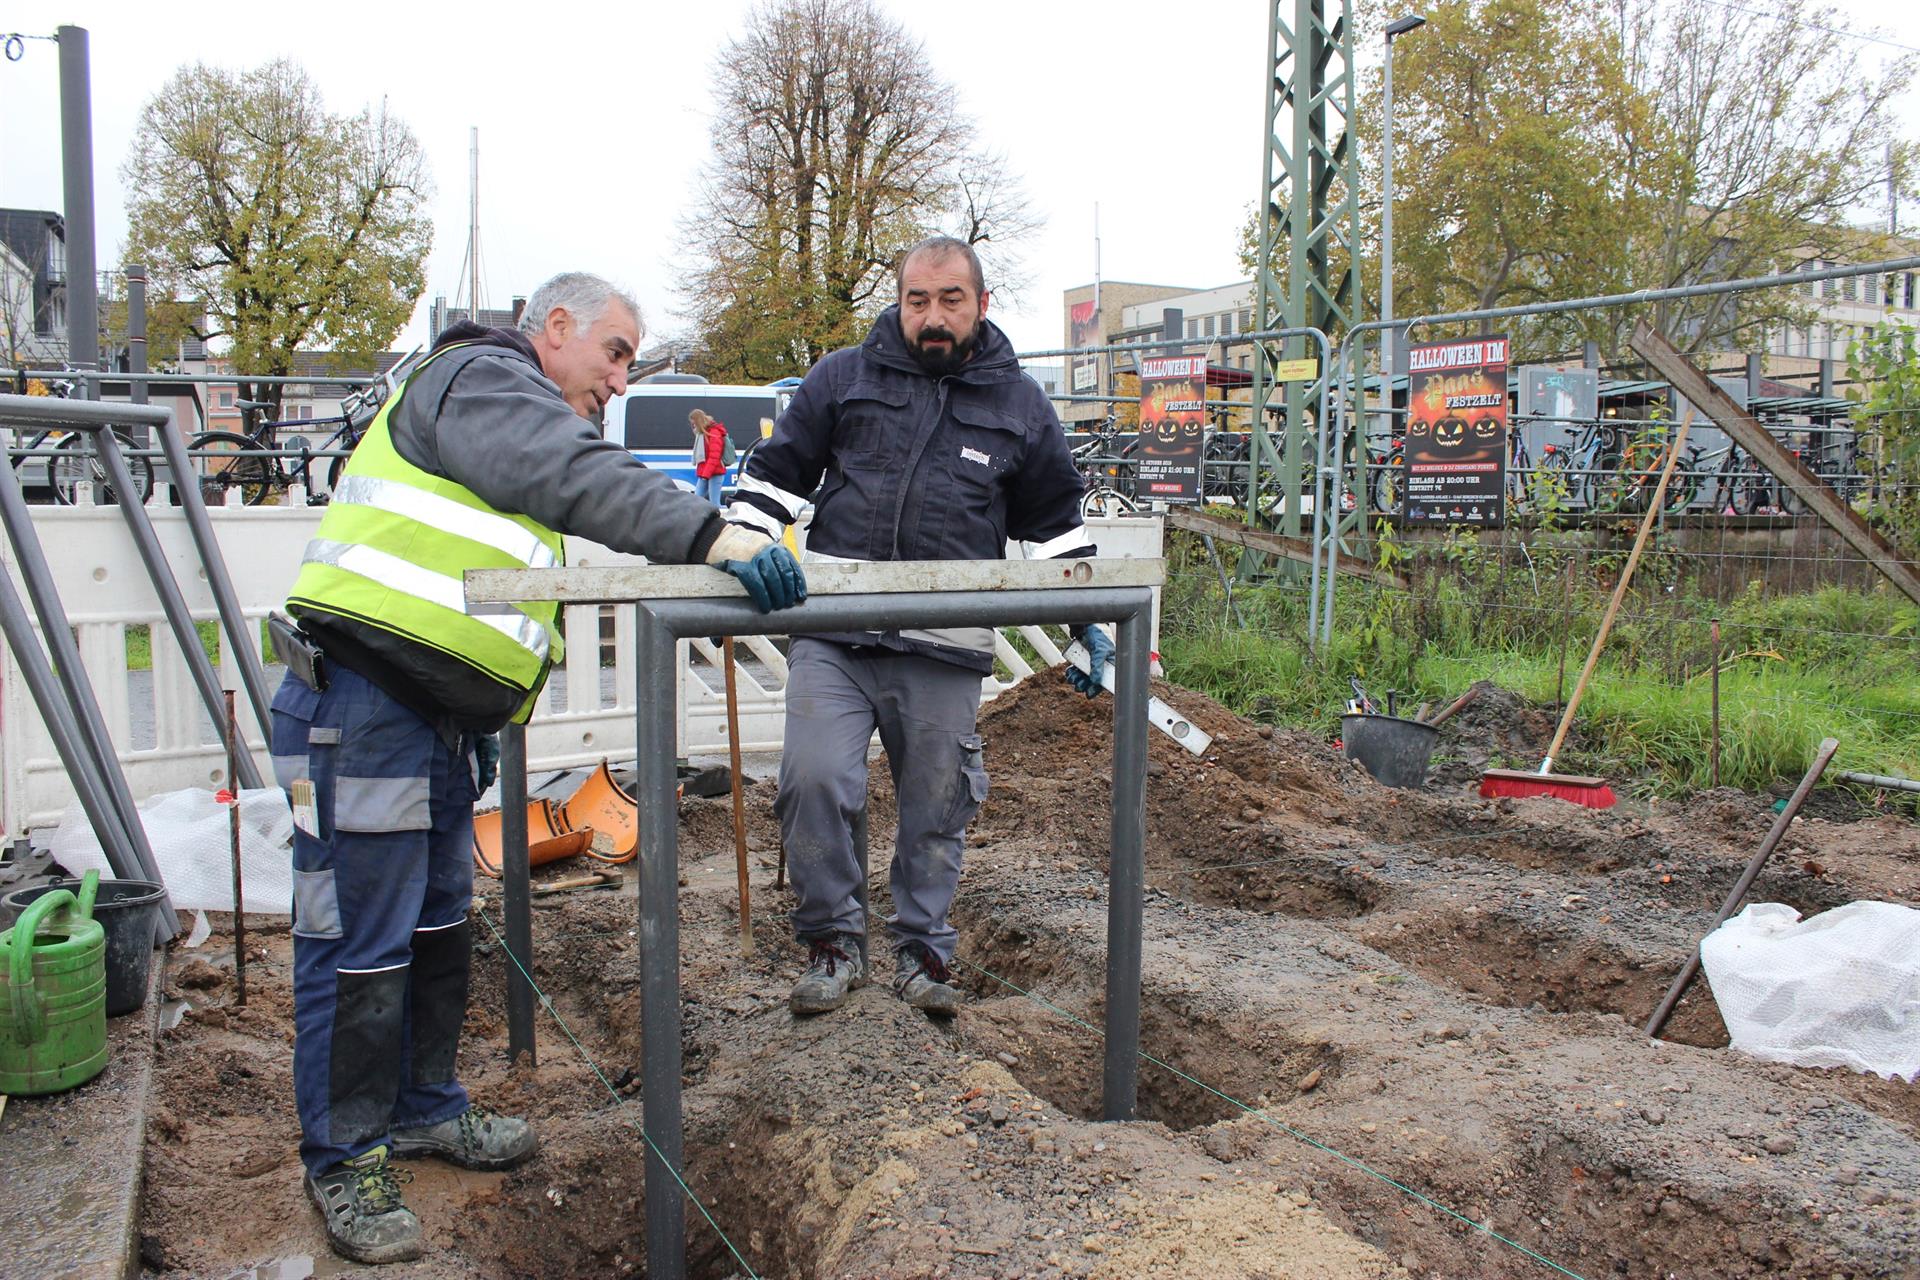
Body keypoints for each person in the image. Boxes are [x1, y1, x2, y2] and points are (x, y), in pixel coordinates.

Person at [269, 272, 805, 1266]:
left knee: (432, 926)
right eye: (614, 351)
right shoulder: (479, 380)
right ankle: (344, 1154)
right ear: (553, 328)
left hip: (421, 718)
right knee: (357, 938)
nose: (620, 377)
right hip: (358, 707)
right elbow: (569, 472)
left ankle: (424, 1105)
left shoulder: (508, 407)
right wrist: (705, 531)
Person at [725, 236, 1113, 1021]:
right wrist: (737, 545)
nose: (932, 317)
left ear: (982, 303)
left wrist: (1087, 622)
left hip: (945, 643)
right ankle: (833, 943)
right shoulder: (845, 376)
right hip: (835, 632)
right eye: (916, 301)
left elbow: (1056, 525)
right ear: (898, 301)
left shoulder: (1019, 406)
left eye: (950, 300)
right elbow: (774, 475)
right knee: (812, 780)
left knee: (937, 804)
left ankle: (922, 951)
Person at [690, 408, 730, 505]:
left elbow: (714, 456)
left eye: (694, 423)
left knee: (714, 503)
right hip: (705, 472)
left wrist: (705, 475)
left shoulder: (714, 432)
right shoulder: (702, 434)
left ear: (698, 421)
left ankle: (718, 520)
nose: (693, 426)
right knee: (695, 500)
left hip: (715, 473)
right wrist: (704, 474)